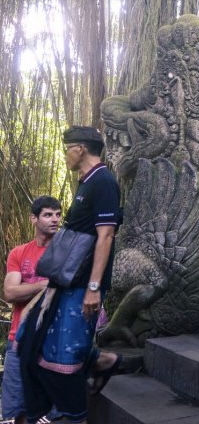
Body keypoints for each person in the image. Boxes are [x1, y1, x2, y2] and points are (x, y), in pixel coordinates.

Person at [17, 126, 128, 424]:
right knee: (33, 342)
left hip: (83, 284)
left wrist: (93, 288)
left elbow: (105, 237)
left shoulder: (103, 181)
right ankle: (102, 361)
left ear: (79, 149)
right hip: (65, 280)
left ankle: (75, 416)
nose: (65, 155)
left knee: (63, 359)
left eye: (68, 149)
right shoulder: (86, 182)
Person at [2, 196, 62, 424]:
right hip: (19, 336)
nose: (55, 219)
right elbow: (10, 293)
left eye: (58, 214)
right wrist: (46, 284)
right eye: (48, 215)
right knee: (16, 409)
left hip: (54, 340)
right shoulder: (19, 253)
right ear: (33, 219)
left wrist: (25, 288)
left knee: (54, 412)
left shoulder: (67, 251)